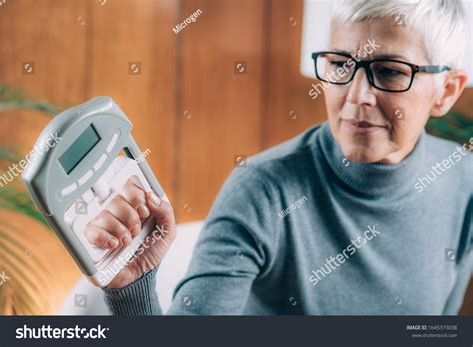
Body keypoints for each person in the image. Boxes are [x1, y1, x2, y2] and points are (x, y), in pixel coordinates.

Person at [85, 0, 472, 314]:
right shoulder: (263, 190)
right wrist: (133, 290)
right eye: (340, 64)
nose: (356, 97)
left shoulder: (464, 181)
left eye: (388, 71)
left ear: (446, 91)